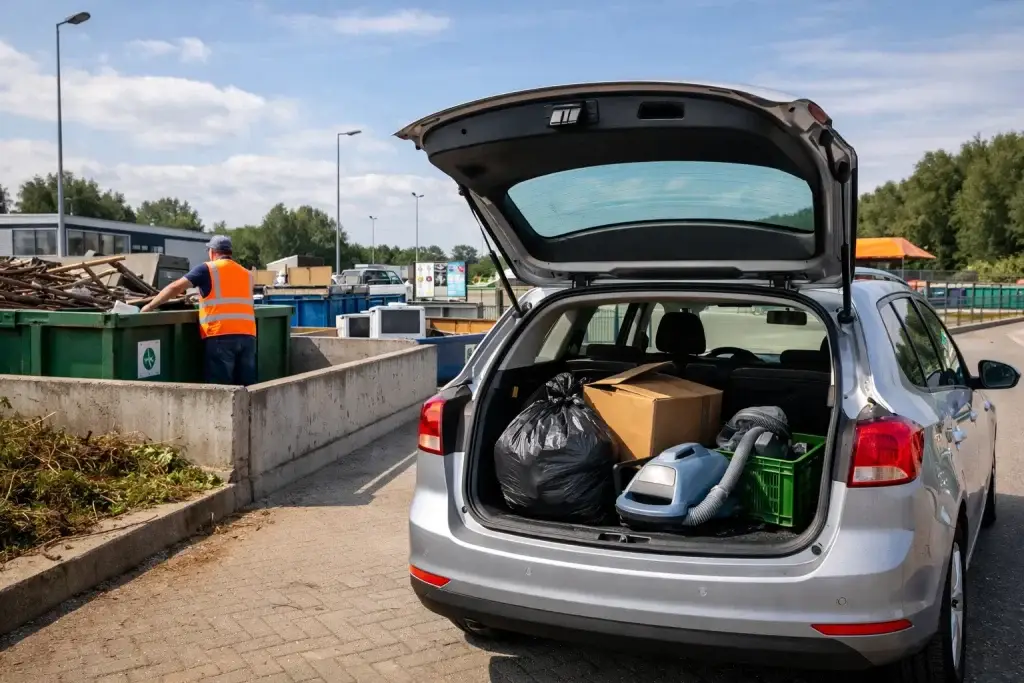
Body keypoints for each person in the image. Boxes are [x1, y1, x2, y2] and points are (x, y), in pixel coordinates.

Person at [140, 235, 257, 385]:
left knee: (221, 389)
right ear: (229, 252)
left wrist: (149, 306)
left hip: (220, 335)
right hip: (248, 336)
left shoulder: (208, 269)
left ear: (212, 252)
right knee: (246, 386)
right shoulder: (247, 274)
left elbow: (175, 287)